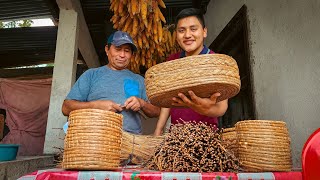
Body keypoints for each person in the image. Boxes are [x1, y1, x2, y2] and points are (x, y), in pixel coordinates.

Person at [62, 30, 160, 134]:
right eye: (118, 49)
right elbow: (66, 108)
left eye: (127, 51)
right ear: (107, 50)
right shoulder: (91, 75)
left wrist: (142, 103)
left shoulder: (139, 80)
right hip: (95, 139)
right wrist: (96, 106)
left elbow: (156, 111)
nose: (122, 55)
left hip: (131, 142)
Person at [154, 8, 228, 135]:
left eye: (193, 29)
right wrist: (158, 129)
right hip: (176, 135)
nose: (187, 35)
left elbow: (221, 108)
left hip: (206, 136)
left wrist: (202, 108)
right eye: (181, 30)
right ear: (176, 35)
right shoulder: (172, 61)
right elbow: (168, 100)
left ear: (204, 32)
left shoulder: (215, 62)